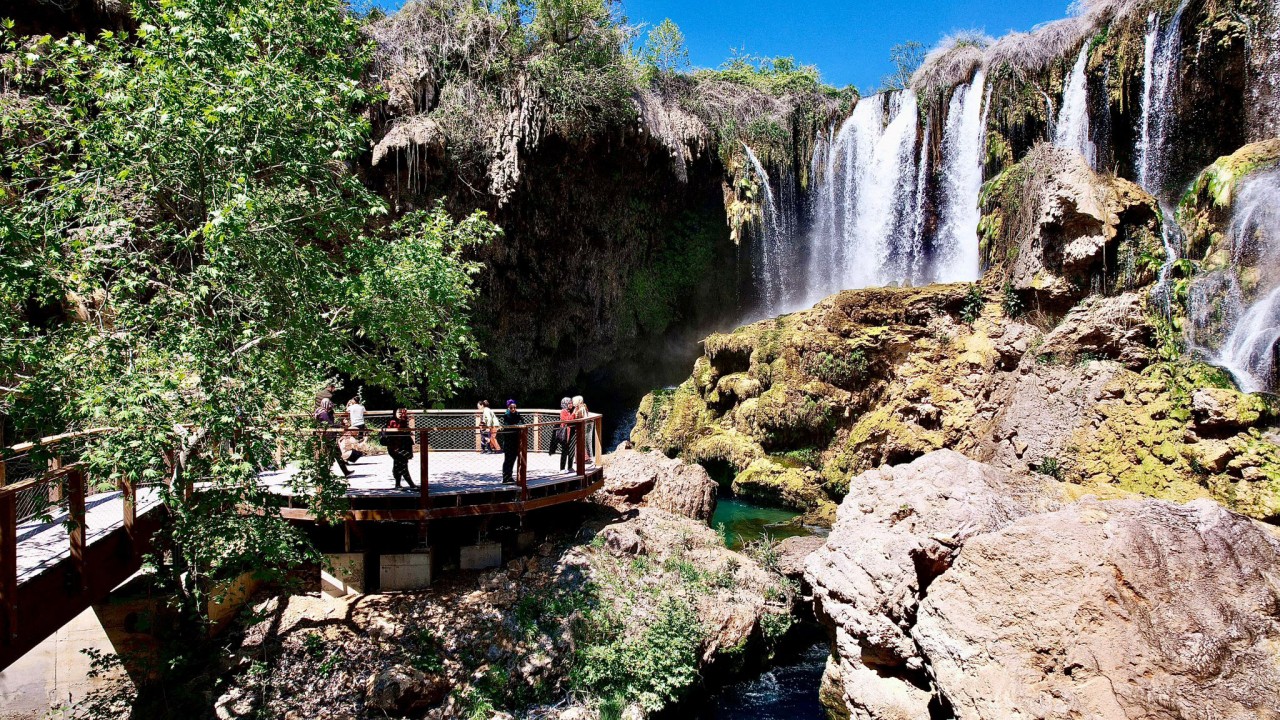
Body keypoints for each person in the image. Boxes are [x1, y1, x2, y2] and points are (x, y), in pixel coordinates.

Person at [314, 384, 350, 477]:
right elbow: (330, 425)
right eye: (330, 405)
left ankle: (344, 471)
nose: (331, 407)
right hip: (328, 436)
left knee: (334, 453)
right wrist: (341, 426)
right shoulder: (323, 414)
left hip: (327, 435)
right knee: (333, 453)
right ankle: (326, 473)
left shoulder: (321, 411)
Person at [380, 418, 417, 490]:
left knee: (399, 464)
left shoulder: (404, 421)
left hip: (404, 446)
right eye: (398, 412)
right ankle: (410, 484)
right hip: (394, 447)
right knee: (402, 464)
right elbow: (389, 433)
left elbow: (407, 434)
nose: (400, 413)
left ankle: (398, 484)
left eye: (401, 412)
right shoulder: (392, 421)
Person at [498, 399, 524, 485]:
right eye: (511, 407)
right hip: (508, 441)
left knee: (513, 458)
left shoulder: (517, 414)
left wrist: (519, 424)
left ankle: (510, 476)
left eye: (514, 407)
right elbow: (508, 424)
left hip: (515, 440)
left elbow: (522, 422)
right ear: (508, 407)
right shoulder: (506, 415)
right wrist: (517, 425)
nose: (513, 409)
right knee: (508, 459)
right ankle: (505, 477)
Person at [548, 397, 574, 472]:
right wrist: (574, 414)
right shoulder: (563, 411)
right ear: (565, 404)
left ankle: (570, 467)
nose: (571, 404)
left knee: (571, 450)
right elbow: (567, 420)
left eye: (571, 403)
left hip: (571, 433)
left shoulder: (571, 411)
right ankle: (562, 468)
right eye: (569, 403)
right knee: (564, 451)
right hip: (565, 434)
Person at [572, 395, 592, 463]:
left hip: (580, 427)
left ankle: (584, 458)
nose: (573, 402)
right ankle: (579, 458)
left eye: (574, 401)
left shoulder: (581, 409)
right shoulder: (578, 408)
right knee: (578, 443)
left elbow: (578, 417)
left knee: (579, 443)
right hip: (578, 427)